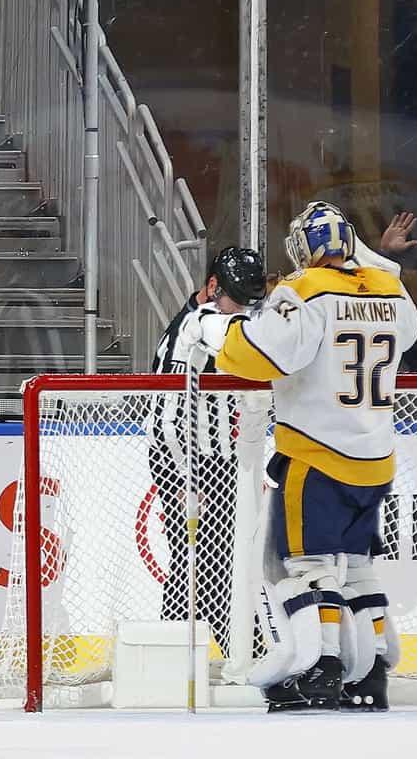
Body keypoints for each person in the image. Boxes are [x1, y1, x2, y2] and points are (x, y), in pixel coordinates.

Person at [197, 201, 417, 712]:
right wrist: (376, 261)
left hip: (316, 457)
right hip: (375, 461)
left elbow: (262, 355)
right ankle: (376, 670)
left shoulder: (304, 290)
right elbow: (407, 331)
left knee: (305, 568)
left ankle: (319, 669)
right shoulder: (391, 291)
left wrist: (218, 332)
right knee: (359, 567)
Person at [146, 245, 265, 660]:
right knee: (203, 559)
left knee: (206, 558)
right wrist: (184, 476)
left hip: (216, 456)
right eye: (237, 299)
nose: (245, 311)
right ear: (213, 287)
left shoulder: (209, 314)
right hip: (182, 456)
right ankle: (244, 652)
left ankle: (177, 655)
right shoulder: (197, 325)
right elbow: (168, 411)